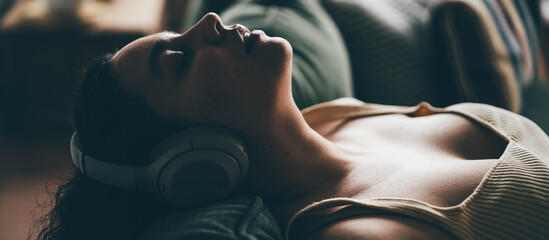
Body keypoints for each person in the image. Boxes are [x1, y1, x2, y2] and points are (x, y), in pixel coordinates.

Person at [32, 1, 549, 240]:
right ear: (190, 158)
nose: (207, 23)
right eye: (178, 60)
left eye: (179, 34)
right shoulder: (360, 231)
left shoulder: (334, 118)